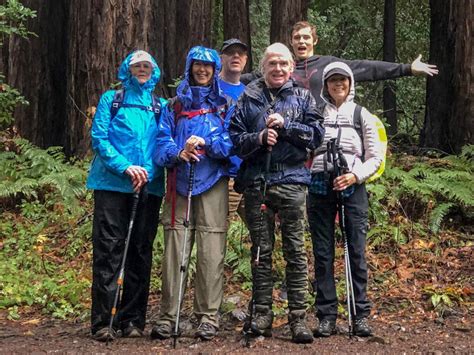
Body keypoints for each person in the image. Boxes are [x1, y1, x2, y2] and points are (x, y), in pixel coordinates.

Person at [229, 43, 325, 344]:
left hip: (293, 180)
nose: (279, 69)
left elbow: (316, 136)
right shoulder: (249, 97)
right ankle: (262, 315)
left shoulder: (303, 96)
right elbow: (234, 139)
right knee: (260, 253)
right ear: (263, 66)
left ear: (291, 66)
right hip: (258, 181)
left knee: (295, 251)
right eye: (273, 63)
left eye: (284, 63)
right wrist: (258, 137)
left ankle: (298, 317)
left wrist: (287, 126)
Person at [151, 46, 232, 341]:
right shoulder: (174, 106)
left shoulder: (224, 106)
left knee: (211, 250)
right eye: (197, 66)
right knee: (175, 249)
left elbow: (232, 144)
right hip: (179, 182)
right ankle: (168, 316)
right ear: (189, 67)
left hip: (213, 182)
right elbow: (160, 145)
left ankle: (208, 317)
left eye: (208, 67)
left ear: (215, 71)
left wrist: (207, 143)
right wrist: (178, 152)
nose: (202, 70)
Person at [86, 50, 166, 341]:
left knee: (140, 253)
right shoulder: (112, 99)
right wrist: (126, 167)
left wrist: (146, 170)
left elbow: (163, 143)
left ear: (153, 71)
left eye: (147, 66)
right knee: (109, 251)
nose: (142, 70)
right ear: (127, 70)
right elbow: (100, 138)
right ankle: (103, 320)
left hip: (149, 186)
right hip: (112, 185)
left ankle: (133, 320)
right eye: (137, 66)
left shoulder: (161, 106)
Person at [307, 61, 385, 338]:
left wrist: (355, 176)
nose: (338, 84)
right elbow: (305, 147)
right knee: (323, 252)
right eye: (333, 80)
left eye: (343, 80)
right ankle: (326, 315)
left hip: (353, 185)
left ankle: (360, 314)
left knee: (356, 250)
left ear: (351, 83)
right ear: (326, 85)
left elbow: (376, 157)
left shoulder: (362, 114)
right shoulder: (315, 113)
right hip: (319, 184)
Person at [290, 21, 439, 106]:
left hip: (323, 128)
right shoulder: (284, 69)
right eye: (297, 38)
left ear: (314, 41)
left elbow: (366, 68)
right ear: (291, 42)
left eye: (306, 37)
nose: (301, 41)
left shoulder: (329, 64)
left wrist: (407, 69)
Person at [219, 38, 248, 224]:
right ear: (221, 58)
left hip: (248, 174)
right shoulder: (210, 88)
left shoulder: (250, 92)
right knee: (219, 231)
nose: (236, 56)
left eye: (240, 53)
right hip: (222, 174)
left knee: (260, 234)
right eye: (230, 52)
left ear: (246, 59)